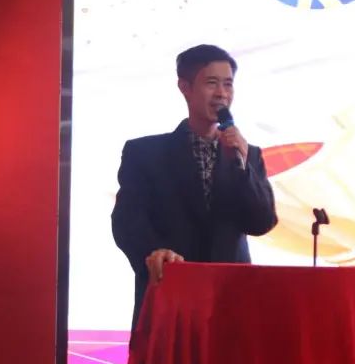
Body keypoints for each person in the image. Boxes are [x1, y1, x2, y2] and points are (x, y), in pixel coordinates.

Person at [112, 44, 278, 330]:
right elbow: (127, 221)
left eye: (228, 84)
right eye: (211, 83)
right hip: (170, 297)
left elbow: (262, 222)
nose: (222, 93)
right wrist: (154, 251)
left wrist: (243, 169)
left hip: (232, 301)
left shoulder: (247, 154)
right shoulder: (145, 153)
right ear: (185, 87)